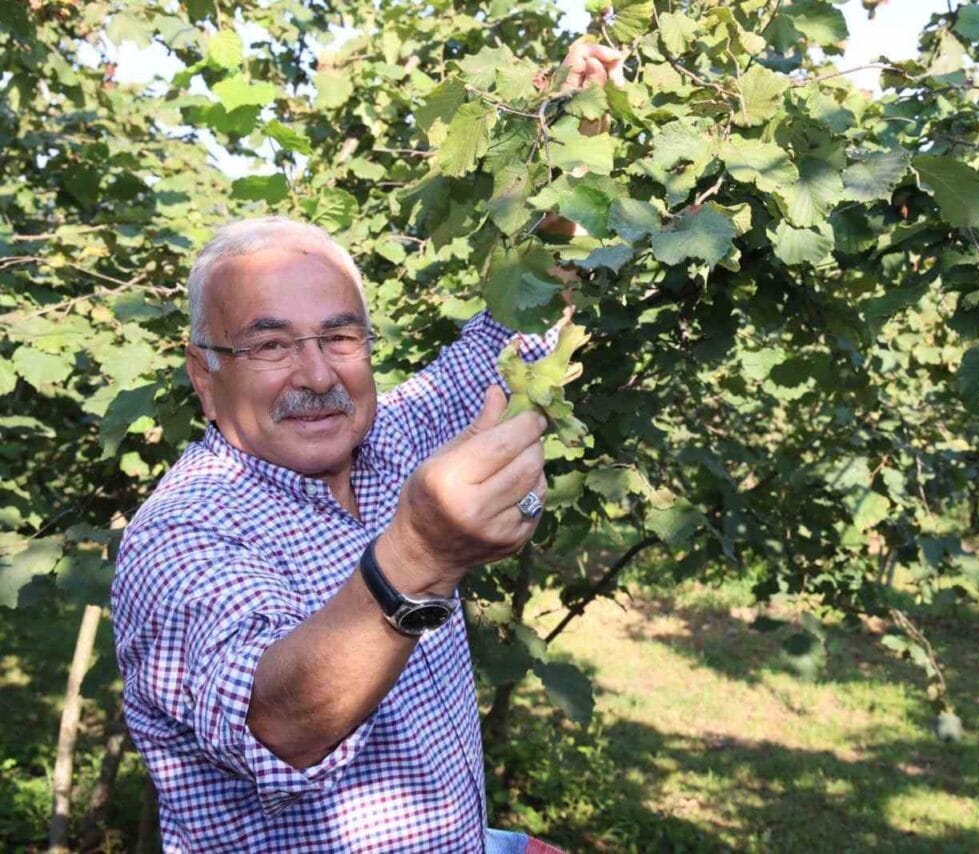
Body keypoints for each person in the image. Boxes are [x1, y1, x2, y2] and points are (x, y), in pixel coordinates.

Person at [110, 42, 623, 853]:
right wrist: (417, 557)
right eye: (270, 345)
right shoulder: (183, 535)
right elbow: (278, 725)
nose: (316, 374)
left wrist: (566, 142)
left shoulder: (392, 440)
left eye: (340, 335)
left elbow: (517, 319)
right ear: (204, 374)